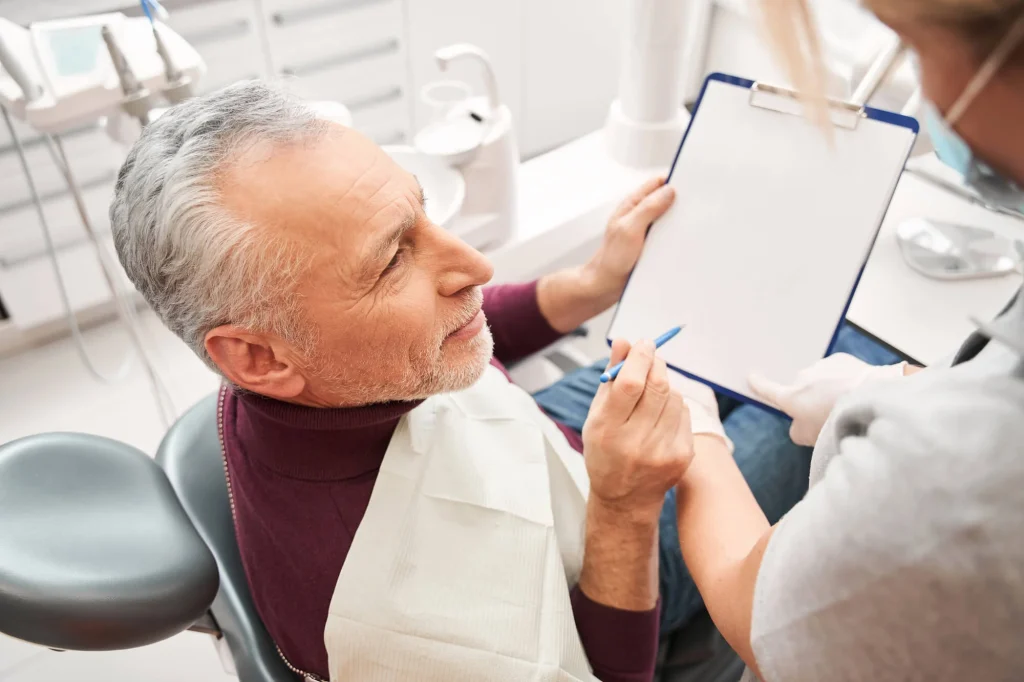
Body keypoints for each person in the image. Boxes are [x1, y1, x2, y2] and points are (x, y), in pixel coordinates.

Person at [108, 81, 812, 682]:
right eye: (392, 261)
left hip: (538, 445)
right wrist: (625, 508)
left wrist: (590, 284)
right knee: (810, 410)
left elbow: (470, 324)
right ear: (260, 359)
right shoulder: (395, 627)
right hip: (613, 561)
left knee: (783, 340)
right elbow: (605, 671)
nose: (474, 264)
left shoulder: (339, 373)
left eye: (421, 215)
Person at [664, 2, 1024, 680]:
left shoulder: (951, 480)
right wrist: (902, 387)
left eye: (914, 49)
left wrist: (698, 443)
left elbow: (760, 619)